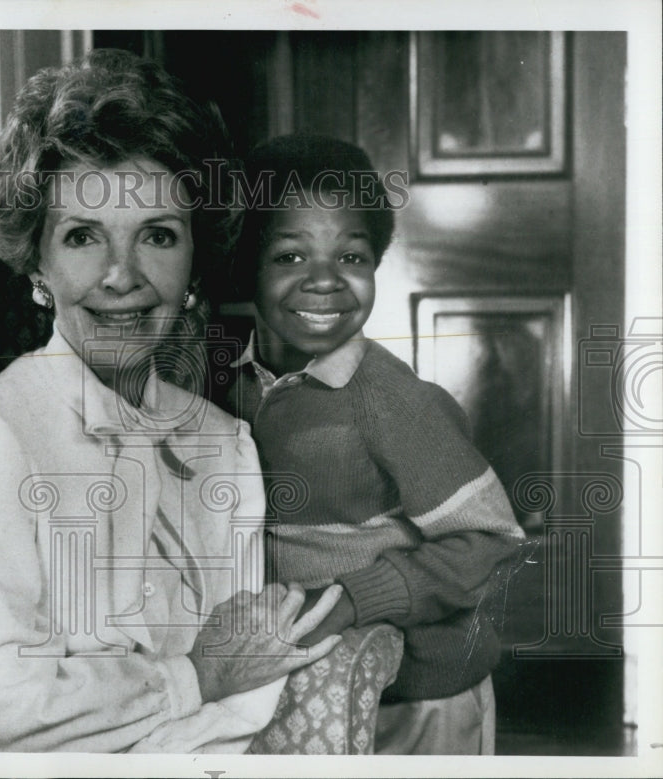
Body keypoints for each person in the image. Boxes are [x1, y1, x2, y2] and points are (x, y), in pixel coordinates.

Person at [0, 52, 343, 754]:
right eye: (82, 236)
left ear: (195, 260)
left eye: (158, 236)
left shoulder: (224, 441)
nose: (122, 276)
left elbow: (248, 671)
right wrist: (192, 677)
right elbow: (11, 709)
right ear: (38, 264)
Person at [223, 134, 525, 754]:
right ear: (244, 266)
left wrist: (357, 600)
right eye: (288, 257)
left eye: (352, 258)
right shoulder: (224, 387)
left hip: (423, 694)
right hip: (307, 683)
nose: (325, 282)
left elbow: (491, 541)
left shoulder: (392, 401)